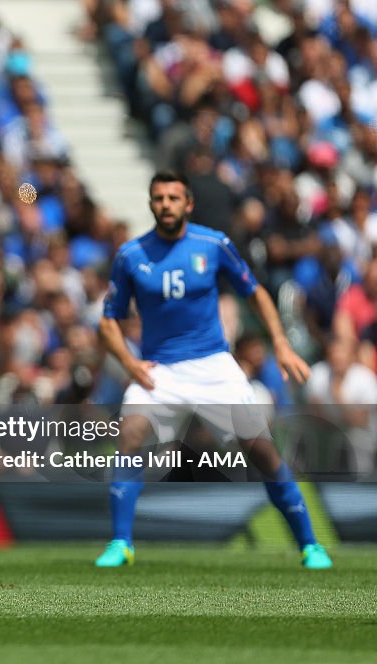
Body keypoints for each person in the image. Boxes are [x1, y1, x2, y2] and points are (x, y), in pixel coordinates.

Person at [97, 171, 332, 570]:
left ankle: (310, 545)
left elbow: (254, 291)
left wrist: (279, 342)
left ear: (188, 204)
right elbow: (108, 319)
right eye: (158, 198)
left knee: (261, 451)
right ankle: (121, 543)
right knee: (130, 437)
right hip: (161, 371)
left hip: (212, 365)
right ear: (151, 204)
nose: (165, 204)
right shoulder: (132, 256)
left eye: (173, 197)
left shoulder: (213, 243)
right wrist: (129, 361)